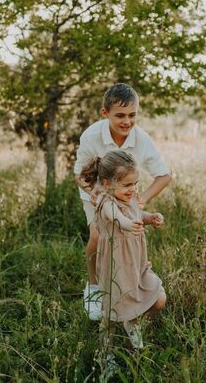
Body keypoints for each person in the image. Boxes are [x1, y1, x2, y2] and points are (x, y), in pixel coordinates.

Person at [74, 83, 171, 320]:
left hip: (128, 196)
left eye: (132, 115)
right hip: (96, 193)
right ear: (105, 113)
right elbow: (79, 175)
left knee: (125, 240)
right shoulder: (91, 136)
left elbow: (164, 175)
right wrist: (101, 197)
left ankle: (129, 286)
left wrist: (142, 199)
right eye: (120, 116)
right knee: (99, 236)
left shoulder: (141, 139)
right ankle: (95, 287)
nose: (126, 121)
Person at [80, 150, 166, 349]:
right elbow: (116, 217)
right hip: (116, 268)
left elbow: (136, 212)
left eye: (136, 183)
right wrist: (127, 224)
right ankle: (106, 355)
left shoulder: (130, 197)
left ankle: (131, 321)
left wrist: (150, 218)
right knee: (110, 315)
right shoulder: (105, 202)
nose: (133, 189)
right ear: (107, 183)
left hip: (136, 264)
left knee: (158, 298)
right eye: (127, 185)